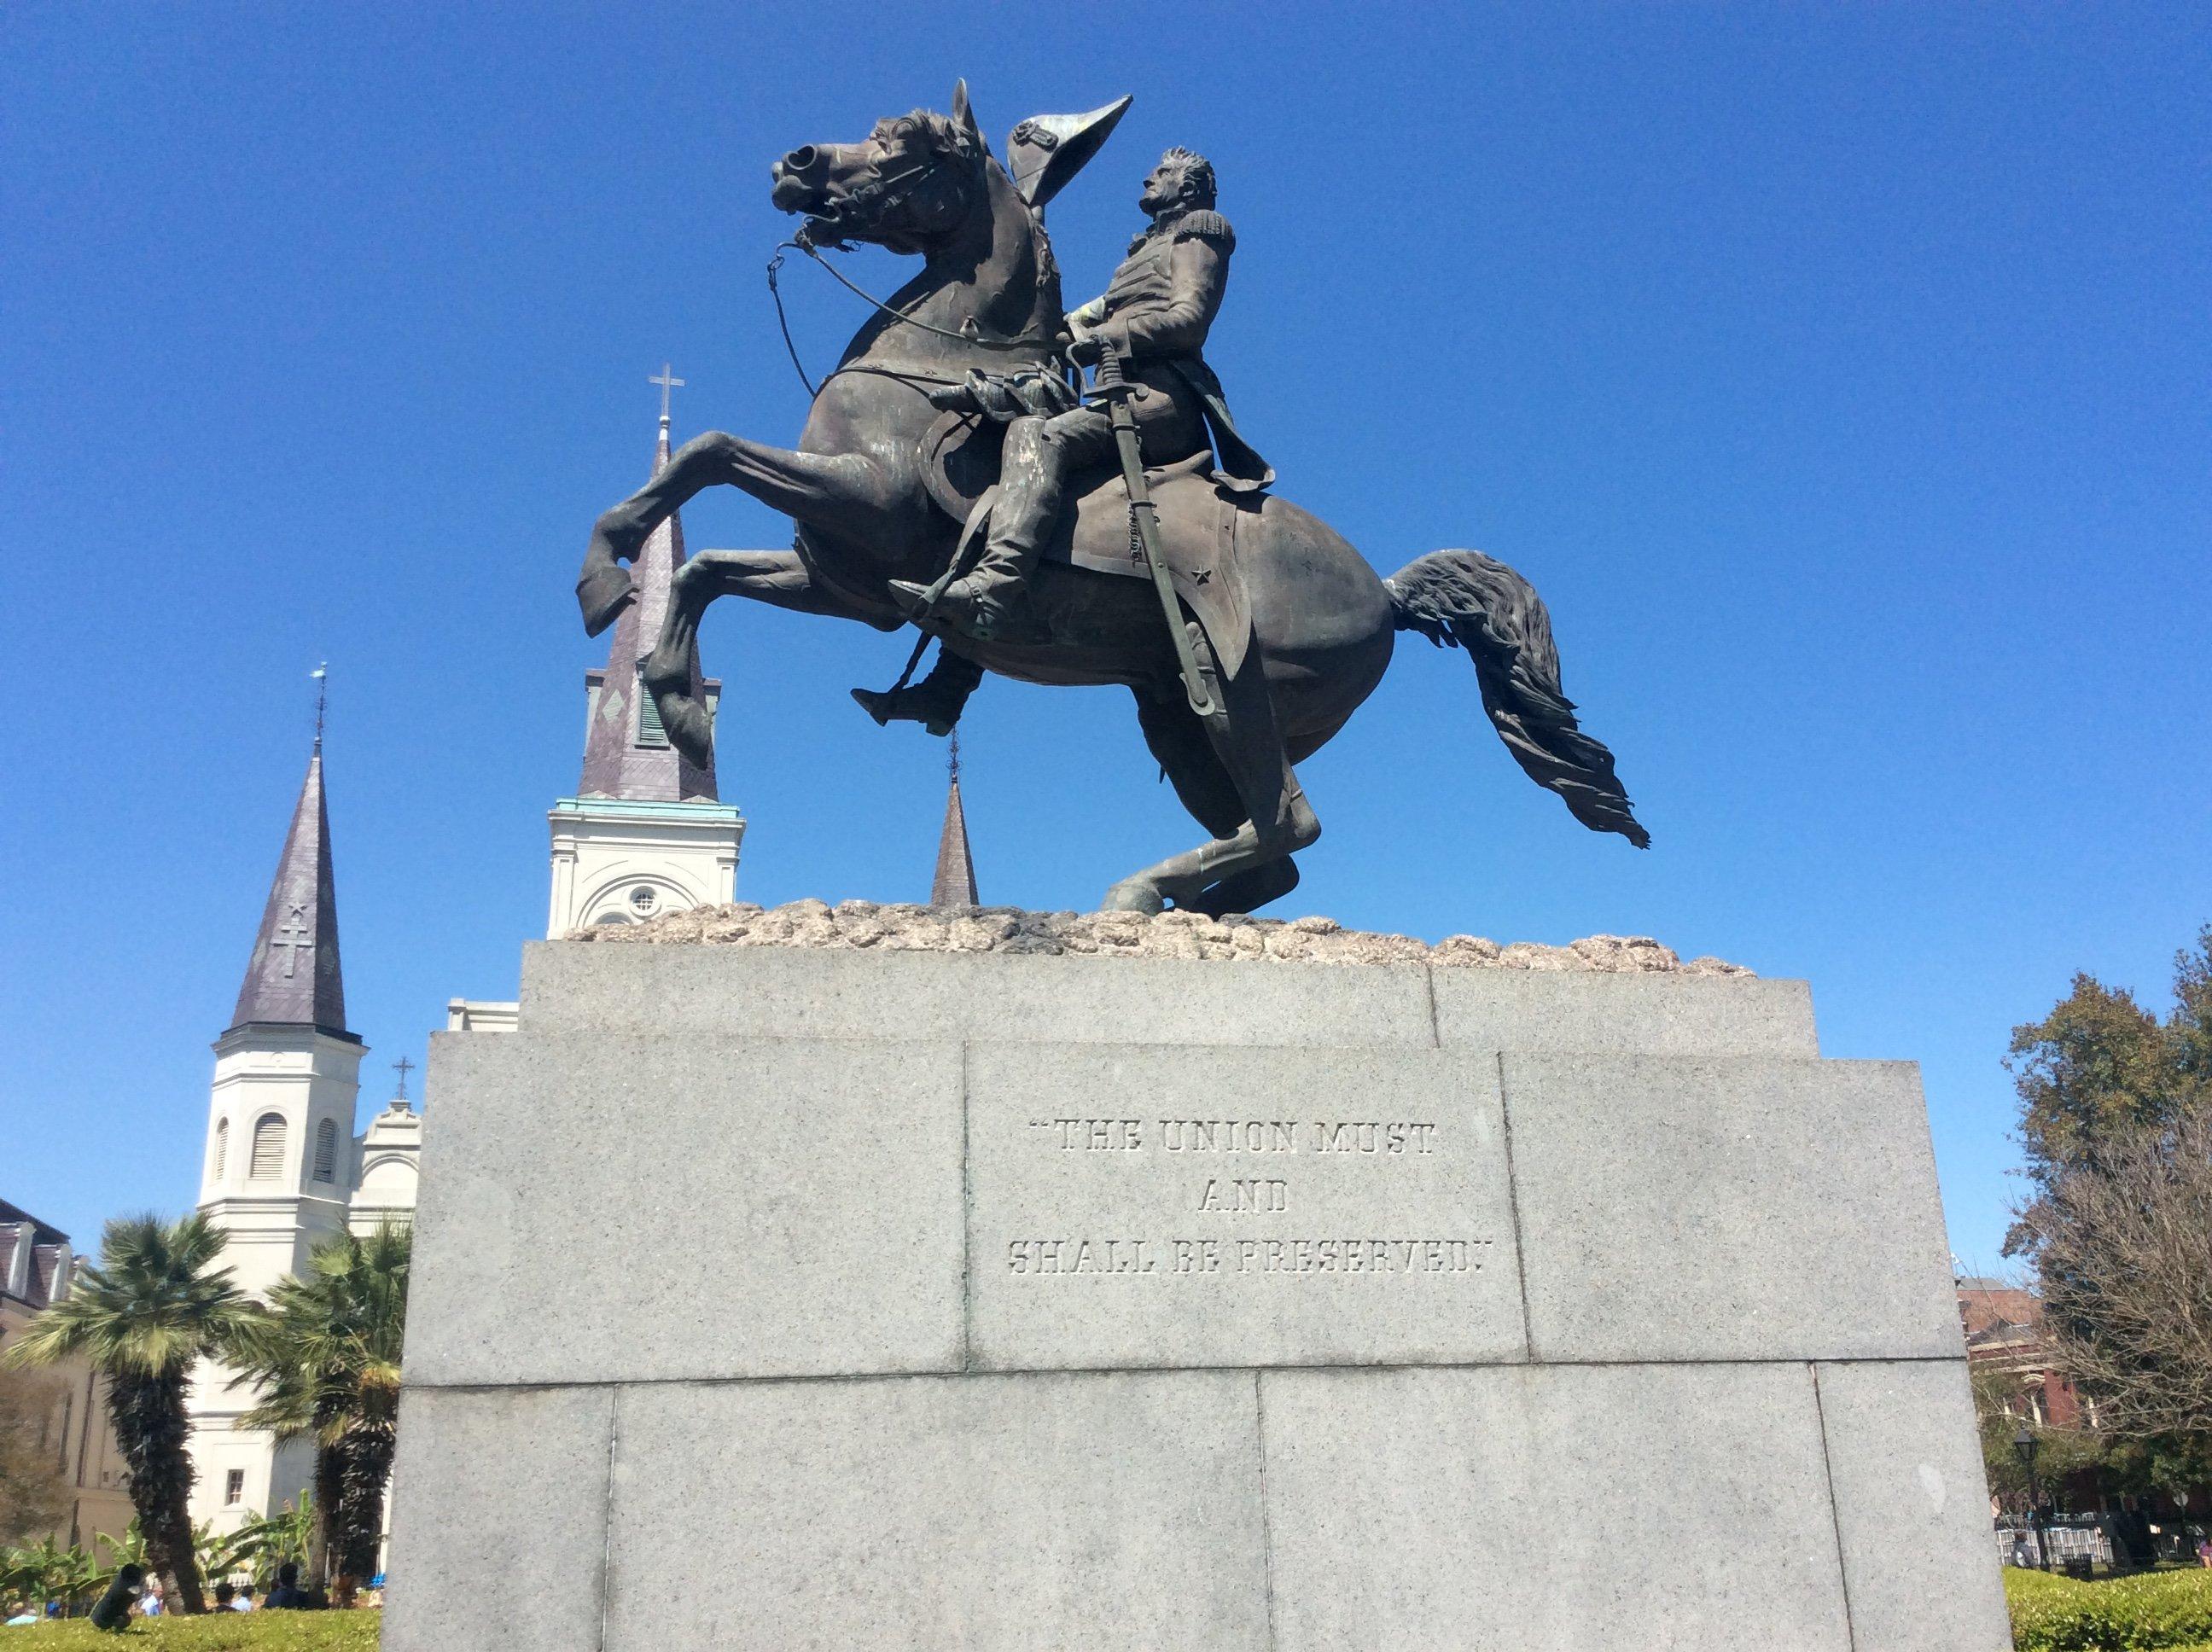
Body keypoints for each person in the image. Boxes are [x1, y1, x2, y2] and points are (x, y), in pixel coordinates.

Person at [888, 146, 1271, 647]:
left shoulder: (1200, 231)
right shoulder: (1140, 253)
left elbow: (1189, 318)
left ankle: (995, 589)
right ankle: (950, 682)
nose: (1148, 177)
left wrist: (1112, 336)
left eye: (1163, 172)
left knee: (1038, 438)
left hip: (1162, 400)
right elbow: (1079, 325)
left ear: (1190, 187)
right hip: (1115, 394)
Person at [88, 1565, 143, 1632]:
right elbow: (136, 1593)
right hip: (102, 1620)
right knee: (124, 1620)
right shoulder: (120, 1589)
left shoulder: (120, 1586)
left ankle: (114, 1628)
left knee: (125, 1619)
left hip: (106, 1616)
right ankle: (114, 1629)